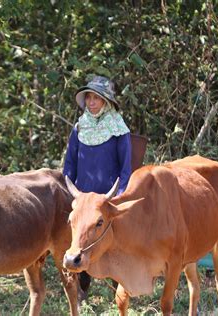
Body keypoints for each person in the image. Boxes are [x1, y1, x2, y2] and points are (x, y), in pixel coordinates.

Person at [62, 75, 132, 298]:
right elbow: (70, 161)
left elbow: (126, 166)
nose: (91, 102)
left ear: (107, 102)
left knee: (110, 243)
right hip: (82, 195)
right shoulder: (80, 126)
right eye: (89, 98)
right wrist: (70, 190)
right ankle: (82, 288)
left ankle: (117, 289)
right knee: (81, 238)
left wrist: (119, 195)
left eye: (97, 98)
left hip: (106, 197)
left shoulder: (119, 128)